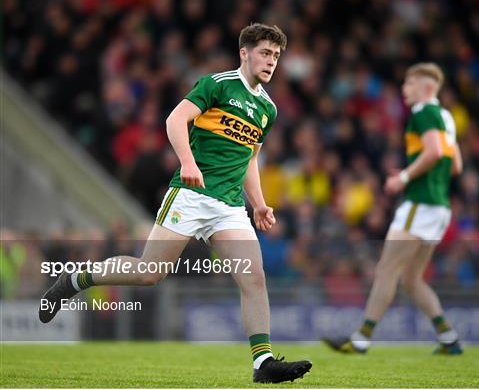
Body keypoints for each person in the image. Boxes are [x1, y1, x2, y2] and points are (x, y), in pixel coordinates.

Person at [39, 23, 312, 383]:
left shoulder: (267, 109)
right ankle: (77, 279)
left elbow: (249, 159)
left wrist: (258, 203)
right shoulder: (217, 85)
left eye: (276, 55)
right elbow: (175, 119)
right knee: (149, 273)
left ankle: (262, 363)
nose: (271, 61)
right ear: (244, 53)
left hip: (229, 206)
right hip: (191, 195)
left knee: (254, 277)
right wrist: (187, 162)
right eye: (265, 52)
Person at [323, 63, 464, 355]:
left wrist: (404, 177)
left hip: (420, 204)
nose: (404, 90)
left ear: (426, 87)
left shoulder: (424, 112)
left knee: (386, 269)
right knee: (411, 279)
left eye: (409, 84)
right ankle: (448, 338)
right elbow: (455, 165)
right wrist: (425, 174)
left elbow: (434, 152)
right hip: (439, 206)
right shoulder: (447, 118)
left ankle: (361, 338)